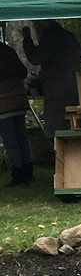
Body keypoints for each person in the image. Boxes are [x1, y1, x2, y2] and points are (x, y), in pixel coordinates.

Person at [21, 20, 81, 140]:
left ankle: (60, 154)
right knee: (77, 126)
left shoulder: (51, 36)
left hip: (57, 91)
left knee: (58, 129)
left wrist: (27, 39)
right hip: (75, 88)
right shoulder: (68, 36)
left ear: (40, 24)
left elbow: (35, 58)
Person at [0, 41, 33, 186]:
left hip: (4, 103)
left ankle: (18, 173)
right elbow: (23, 71)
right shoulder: (7, 50)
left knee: (10, 141)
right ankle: (28, 170)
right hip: (18, 99)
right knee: (21, 138)